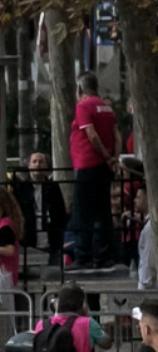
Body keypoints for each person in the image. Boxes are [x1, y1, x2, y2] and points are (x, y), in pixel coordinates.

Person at [69, 71, 121, 271]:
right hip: (104, 168)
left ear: (80, 88)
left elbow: (90, 134)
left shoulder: (83, 106)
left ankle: (82, 257)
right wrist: (113, 158)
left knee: (83, 213)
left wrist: (106, 156)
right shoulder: (107, 108)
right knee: (102, 212)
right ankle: (103, 255)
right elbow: (117, 135)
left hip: (86, 164)